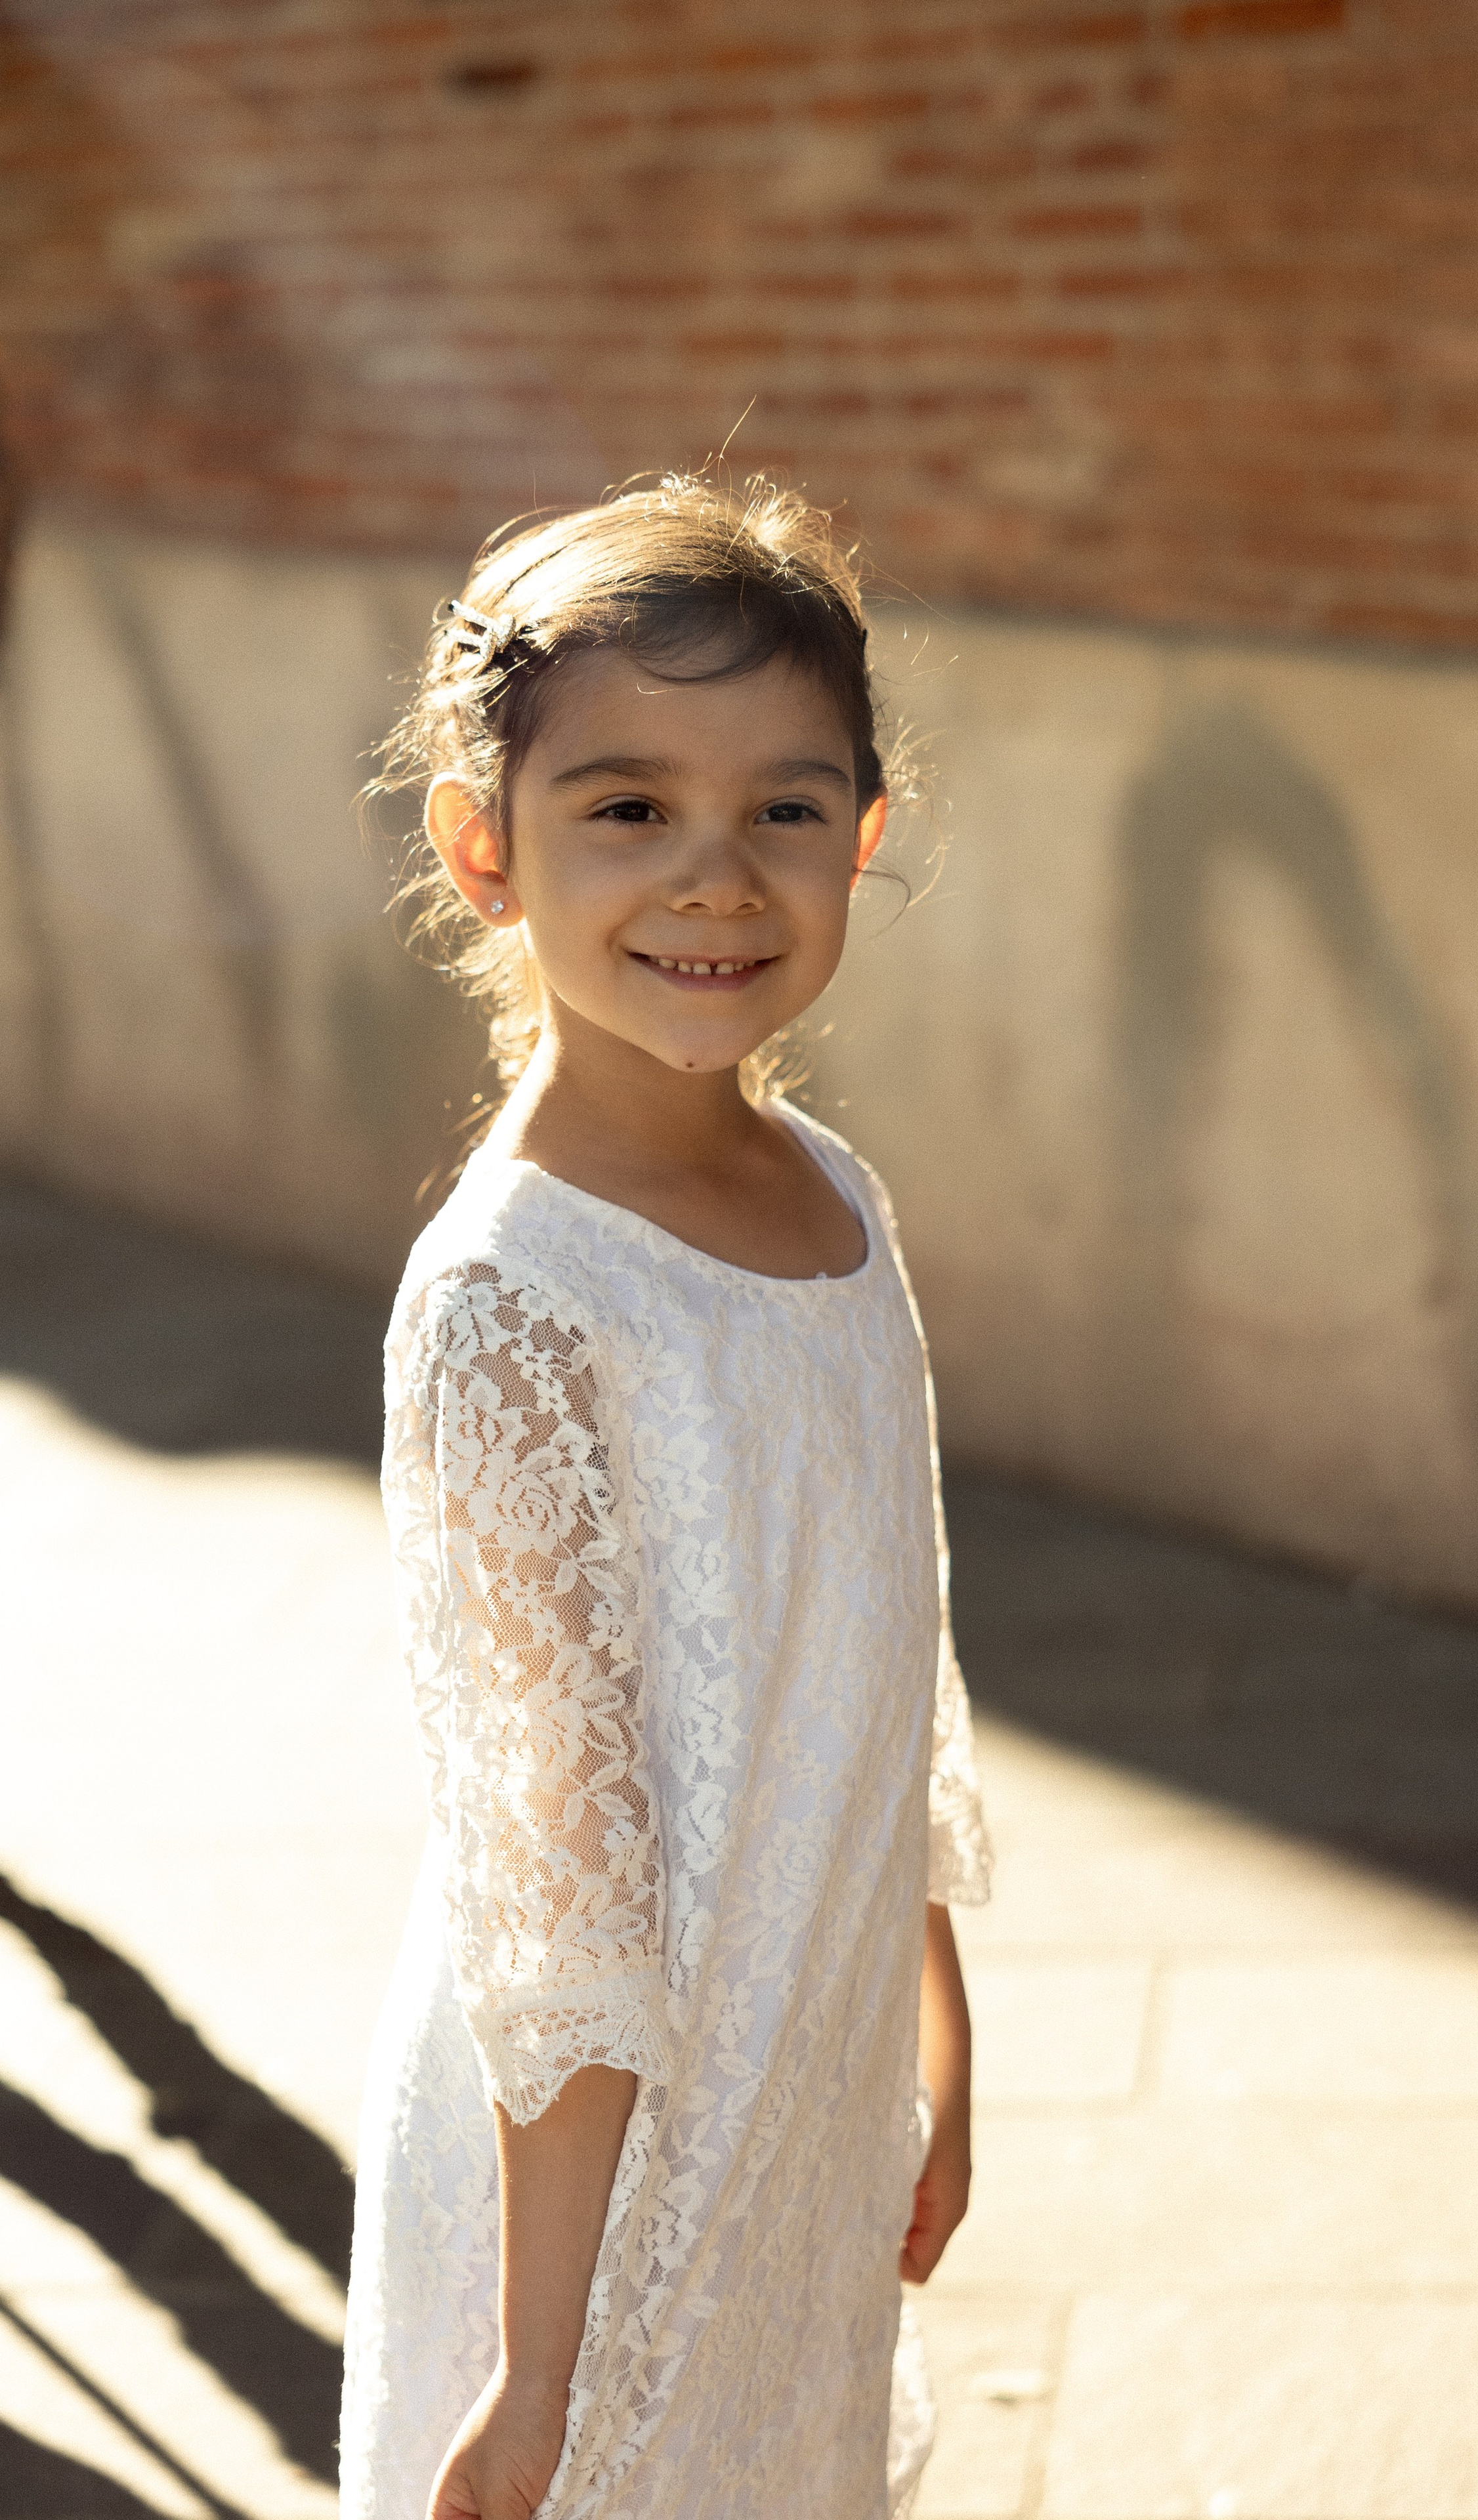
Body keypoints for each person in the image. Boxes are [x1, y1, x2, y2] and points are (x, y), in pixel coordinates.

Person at [339, 474, 992, 2520]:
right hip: (586, 2186)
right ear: (484, 847)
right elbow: (559, 1889)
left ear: (866, 835)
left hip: (801, 2084)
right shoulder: (513, 1309)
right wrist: (538, 2368)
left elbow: (895, 1645)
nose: (715, 877)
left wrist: (936, 2038)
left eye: (783, 810)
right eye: (627, 807)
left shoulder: (836, 1200)